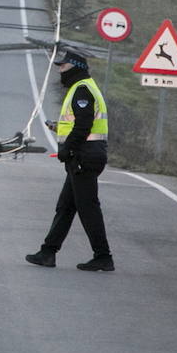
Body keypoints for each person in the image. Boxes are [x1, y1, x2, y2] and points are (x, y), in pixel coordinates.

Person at [26, 48, 114, 271]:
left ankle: (103, 256)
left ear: (76, 67)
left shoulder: (82, 90)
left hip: (85, 155)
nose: (60, 71)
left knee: (88, 208)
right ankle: (48, 252)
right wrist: (59, 129)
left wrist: (68, 150)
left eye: (63, 66)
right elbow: (80, 123)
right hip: (86, 154)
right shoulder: (80, 88)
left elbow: (84, 125)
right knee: (65, 207)